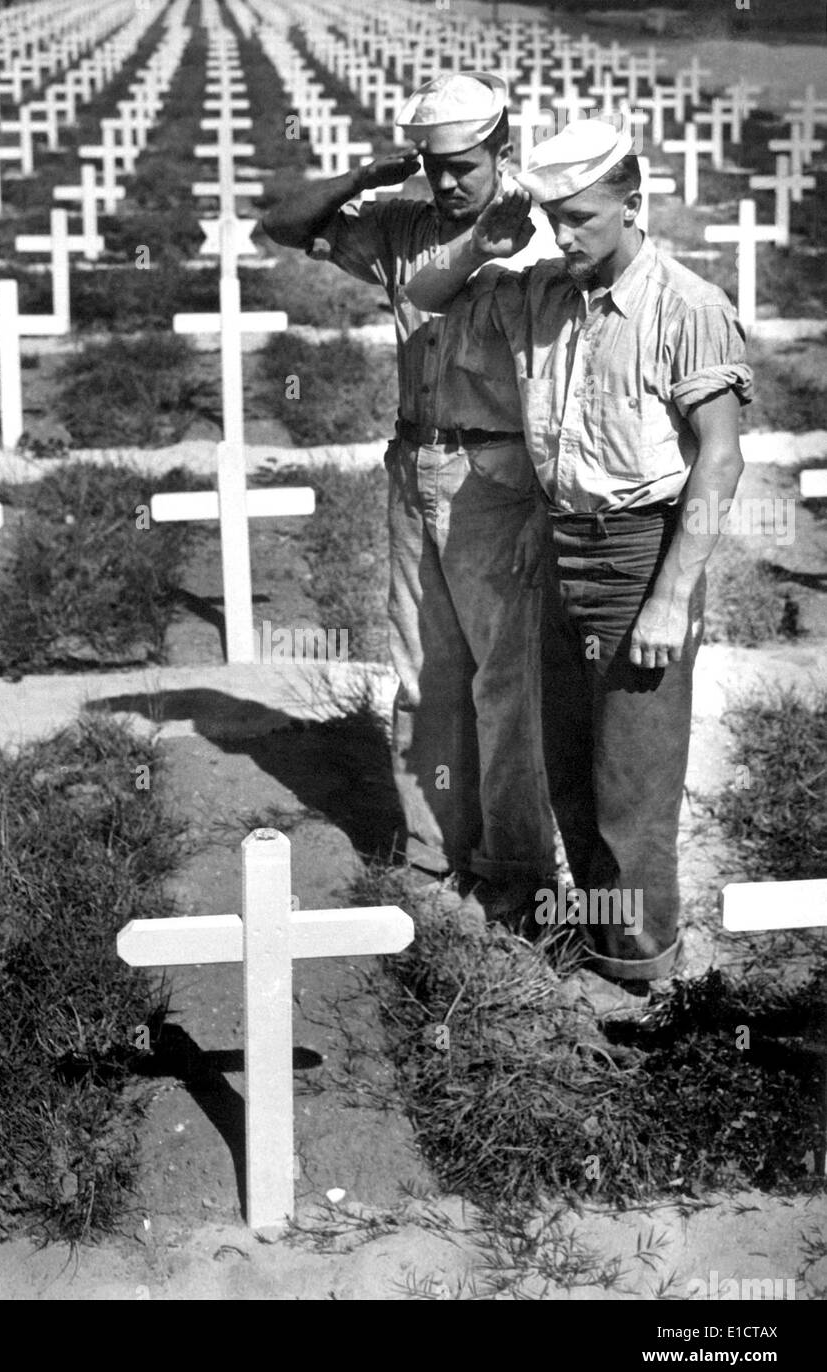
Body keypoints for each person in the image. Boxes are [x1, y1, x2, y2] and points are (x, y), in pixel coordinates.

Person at [403, 120, 751, 998]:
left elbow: (720, 458)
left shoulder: (687, 306)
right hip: (560, 545)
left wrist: (672, 595)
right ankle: (601, 950)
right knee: (569, 770)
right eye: (557, 219)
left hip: (643, 554)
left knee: (631, 778)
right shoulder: (549, 292)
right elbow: (439, 295)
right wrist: (493, 233)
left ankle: (643, 979)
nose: (568, 237)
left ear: (635, 206)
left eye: (586, 219)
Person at [260, 73, 558, 924]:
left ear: (505, 151)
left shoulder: (537, 241)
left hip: (499, 478)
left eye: (465, 164)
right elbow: (277, 226)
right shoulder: (402, 222)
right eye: (434, 164)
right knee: (422, 673)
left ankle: (515, 867)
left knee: (505, 681)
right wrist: (368, 177)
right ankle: (434, 852)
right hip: (413, 463)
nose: (450, 181)